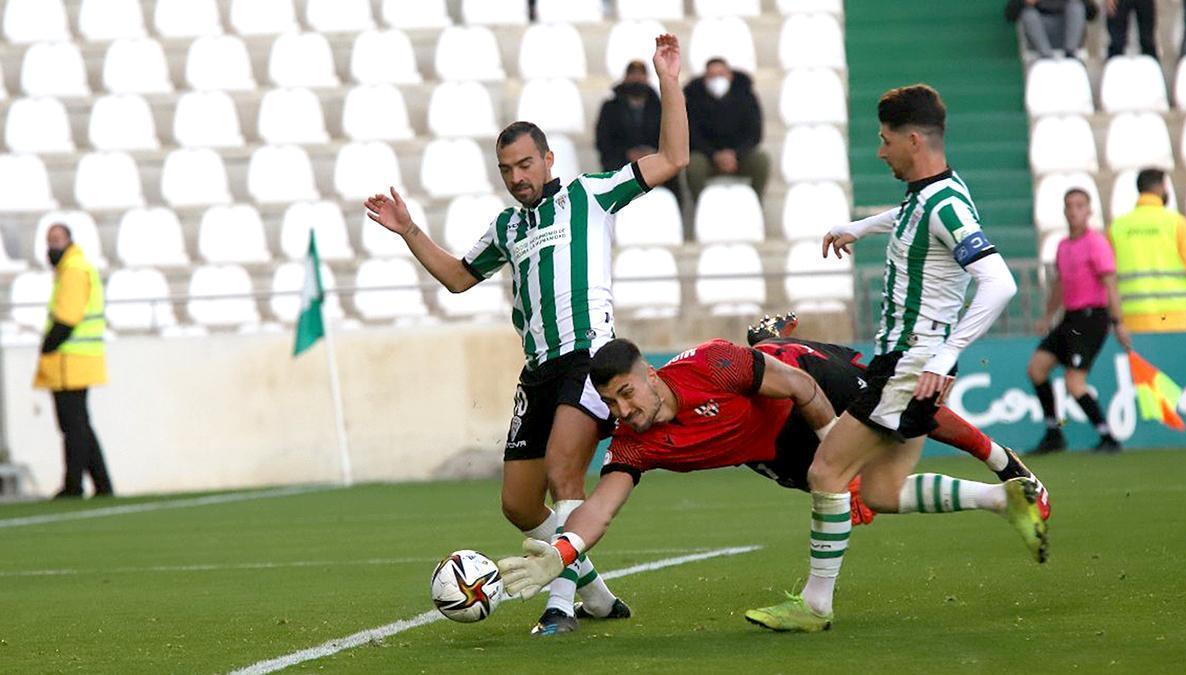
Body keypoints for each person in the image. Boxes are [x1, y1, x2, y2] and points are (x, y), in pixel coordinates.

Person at [363, 34, 689, 637]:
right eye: (507, 170)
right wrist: (409, 230)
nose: (517, 177)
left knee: (567, 475)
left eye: (525, 165)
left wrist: (670, 80)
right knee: (517, 505)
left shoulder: (591, 195)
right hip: (537, 369)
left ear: (548, 161)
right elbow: (460, 278)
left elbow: (671, 159)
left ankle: (558, 607)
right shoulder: (508, 226)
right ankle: (594, 594)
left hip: (588, 359)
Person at [495, 335, 1050, 611]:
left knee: (907, 413)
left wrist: (833, 452)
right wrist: (562, 555)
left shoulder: (711, 364)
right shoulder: (635, 444)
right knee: (879, 492)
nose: (621, 412)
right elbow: (601, 507)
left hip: (810, 383)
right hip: (774, 447)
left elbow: (802, 388)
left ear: (649, 374)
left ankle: (1004, 464)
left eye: (625, 395)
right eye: (611, 405)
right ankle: (1005, 500)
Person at [773, 83, 1040, 632]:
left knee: (825, 470)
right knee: (881, 491)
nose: (879, 151)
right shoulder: (934, 193)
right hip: (909, 364)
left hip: (911, 365)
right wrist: (860, 227)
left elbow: (999, 283)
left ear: (912, 139)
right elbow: (910, 218)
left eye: (885, 140)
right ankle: (1002, 499)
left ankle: (814, 605)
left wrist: (945, 355)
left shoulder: (944, 203)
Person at [1028, 189, 1130, 455]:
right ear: (1064, 210)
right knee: (1037, 369)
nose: (1073, 210)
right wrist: (1048, 317)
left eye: (1079, 205)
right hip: (1069, 318)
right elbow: (1059, 285)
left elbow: (1110, 283)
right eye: (1069, 205)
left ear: (1089, 211)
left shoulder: (1096, 243)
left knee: (1075, 383)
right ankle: (1053, 433)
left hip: (1092, 318)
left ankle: (1108, 437)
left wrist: (1118, 322)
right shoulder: (1063, 246)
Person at [35, 224, 112, 499]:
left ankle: (73, 485)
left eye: (56, 240)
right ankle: (103, 484)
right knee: (80, 424)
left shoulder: (73, 270)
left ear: (69, 240)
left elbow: (67, 317)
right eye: (48, 241)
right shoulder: (72, 268)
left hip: (71, 360)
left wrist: (47, 346)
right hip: (78, 359)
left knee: (73, 426)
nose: (51, 247)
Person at [1108, 168, 1186, 333]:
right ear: (1161, 188)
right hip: (1174, 316)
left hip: (1131, 318)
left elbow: (1107, 275)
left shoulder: (1117, 227)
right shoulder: (1177, 223)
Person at [683, 57, 770, 205]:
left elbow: (755, 133)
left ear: (730, 76)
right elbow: (692, 135)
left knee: (761, 160)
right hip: (707, 157)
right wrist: (715, 155)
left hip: (739, 157)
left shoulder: (746, 96)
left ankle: (755, 204)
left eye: (721, 74)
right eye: (712, 76)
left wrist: (734, 154)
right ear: (705, 79)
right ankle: (701, 206)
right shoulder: (693, 99)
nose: (717, 79)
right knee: (694, 165)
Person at [595, 61, 683, 204]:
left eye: (640, 75)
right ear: (625, 78)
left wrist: (652, 153)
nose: (636, 79)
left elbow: (669, 136)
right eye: (632, 75)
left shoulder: (660, 106)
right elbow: (603, 141)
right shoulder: (610, 107)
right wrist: (627, 154)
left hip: (655, 159)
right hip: (621, 161)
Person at [1004, 0, 1096, 60]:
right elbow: (1009, 15)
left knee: (1076, 6)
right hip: (1041, 39)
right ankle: (1046, 57)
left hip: (1068, 36)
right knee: (1028, 14)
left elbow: (1092, 15)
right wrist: (1024, 2)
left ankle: (1070, 54)